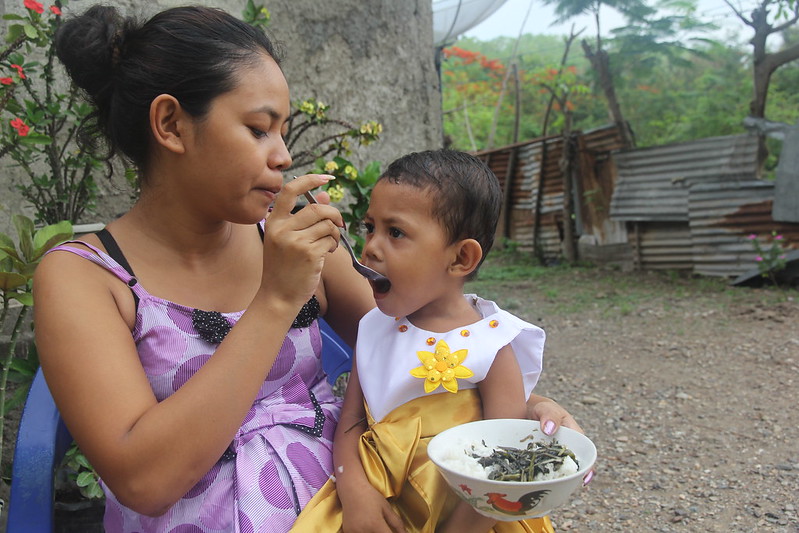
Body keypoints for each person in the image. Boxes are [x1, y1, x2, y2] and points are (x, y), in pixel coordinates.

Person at [34, 5, 584, 533]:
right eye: (258, 129)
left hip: (355, 503)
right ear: (172, 124)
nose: (282, 157)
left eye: (282, 132)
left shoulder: (292, 234)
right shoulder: (84, 276)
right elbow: (144, 481)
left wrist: (519, 408)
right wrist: (276, 299)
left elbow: (414, 349)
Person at [292, 150, 584, 533]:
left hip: (470, 514)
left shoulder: (492, 344)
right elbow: (352, 422)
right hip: (383, 504)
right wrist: (355, 490)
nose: (371, 247)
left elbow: (504, 465)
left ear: (461, 258)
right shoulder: (373, 328)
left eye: (395, 232)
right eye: (370, 227)